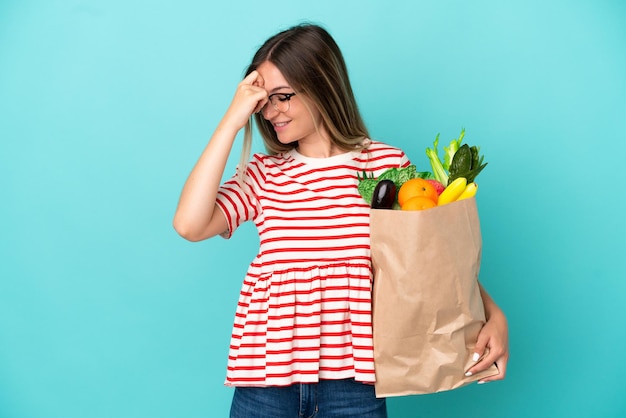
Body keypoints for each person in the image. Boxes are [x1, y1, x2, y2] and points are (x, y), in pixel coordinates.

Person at [173, 23, 509, 418]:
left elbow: (429, 262)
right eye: (262, 101)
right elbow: (189, 225)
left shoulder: (386, 165)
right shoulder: (264, 174)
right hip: (264, 380)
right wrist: (231, 121)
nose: (270, 111)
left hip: (355, 385)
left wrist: (494, 314)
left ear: (322, 85)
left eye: (282, 97)